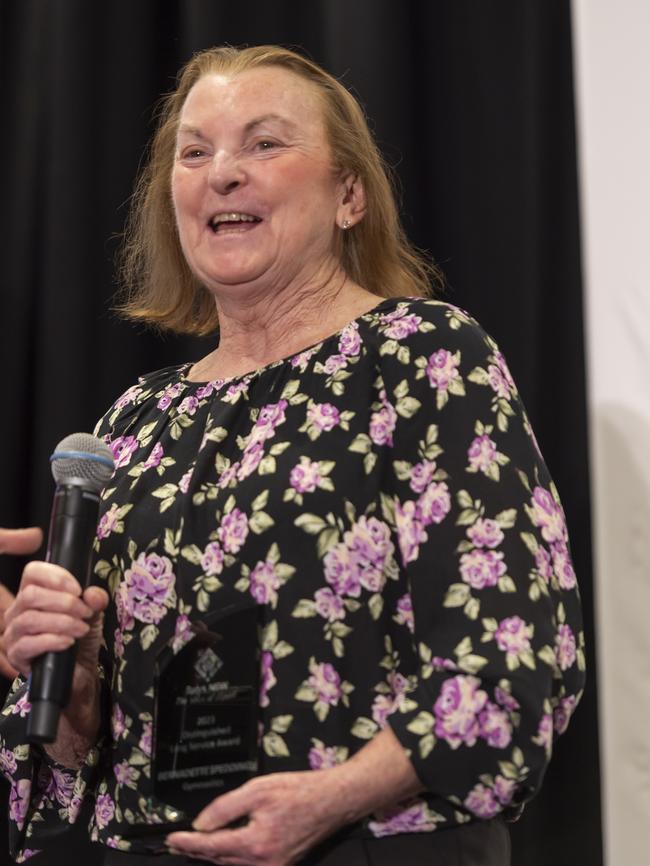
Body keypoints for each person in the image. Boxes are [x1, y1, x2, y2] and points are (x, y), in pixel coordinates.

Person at [0, 45, 585, 866]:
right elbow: (80, 754)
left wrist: (331, 798)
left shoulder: (419, 357)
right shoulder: (136, 422)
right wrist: (71, 682)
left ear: (349, 194)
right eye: (195, 152)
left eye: (265, 144)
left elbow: (511, 652)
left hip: (367, 844)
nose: (223, 173)